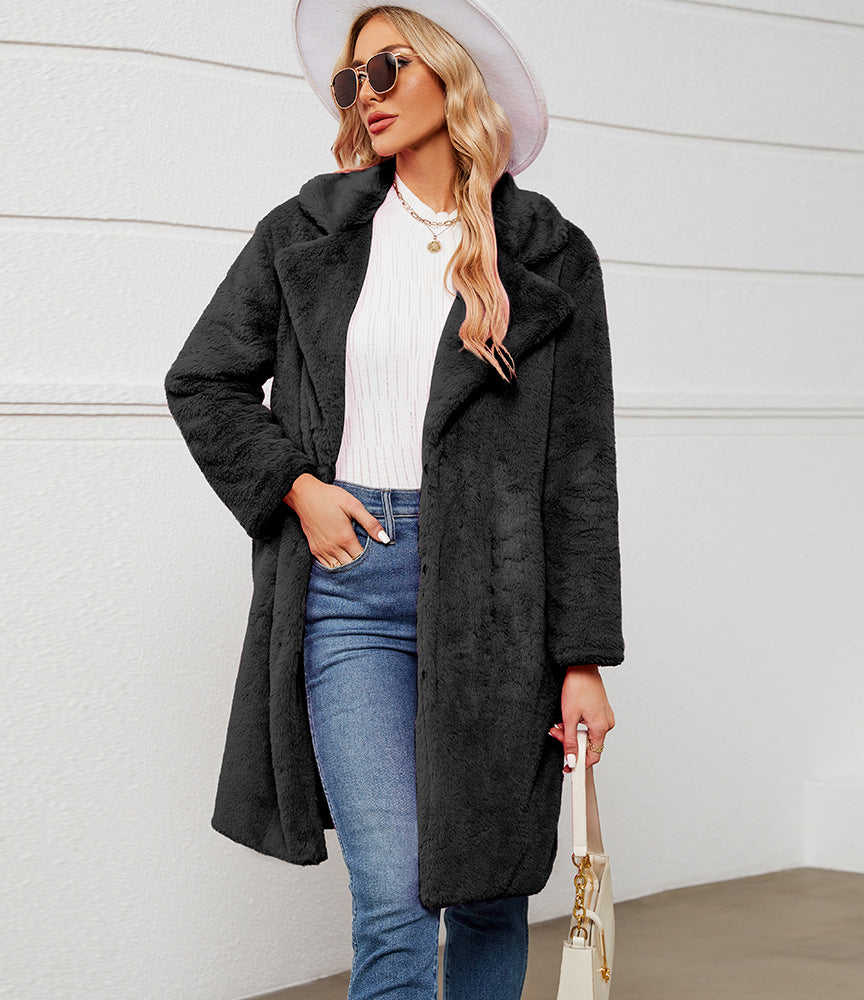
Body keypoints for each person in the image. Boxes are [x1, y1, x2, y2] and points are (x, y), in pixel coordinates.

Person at [164, 2, 624, 997]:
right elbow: (203, 380)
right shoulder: (305, 233)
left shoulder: (549, 253)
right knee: (394, 892)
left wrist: (582, 658)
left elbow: (580, 470)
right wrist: (298, 489)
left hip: (498, 599)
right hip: (351, 588)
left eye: (386, 70)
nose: (362, 96)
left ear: (452, 76)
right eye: (349, 80)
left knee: (488, 885)